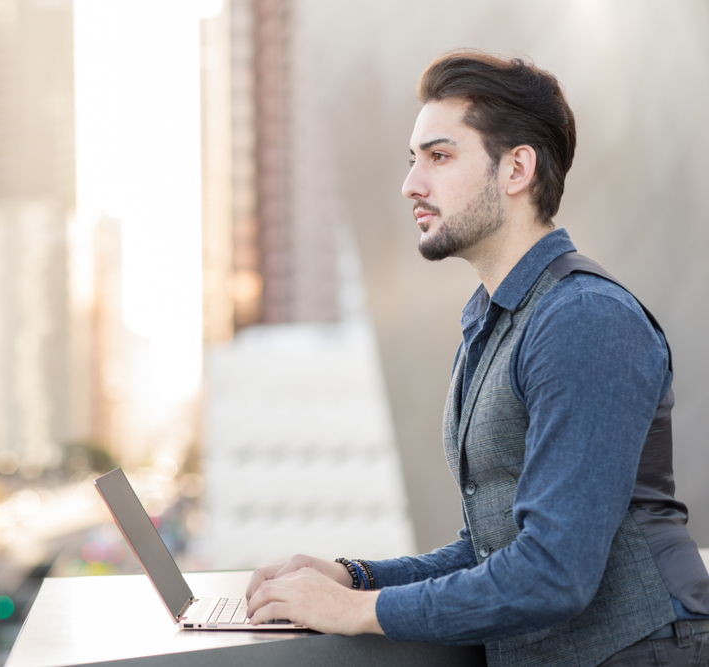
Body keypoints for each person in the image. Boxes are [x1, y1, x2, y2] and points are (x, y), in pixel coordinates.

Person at [244, 50, 709, 666]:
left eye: (439, 156)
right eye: (413, 160)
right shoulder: (494, 322)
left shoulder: (584, 319)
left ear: (516, 168)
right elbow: (490, 548)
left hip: (644, 650)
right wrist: (352, 577)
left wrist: (358, 612)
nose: (412, 183)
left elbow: (551, 571)